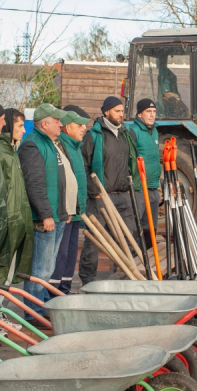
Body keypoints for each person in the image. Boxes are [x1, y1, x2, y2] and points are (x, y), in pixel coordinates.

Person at [18, 104, 77, 324]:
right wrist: (45, 214)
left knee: (49, 265)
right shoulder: (33, 145)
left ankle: (40, 304)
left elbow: (60, 181)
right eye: (57, 121)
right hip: (44, 218)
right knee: (41, 266)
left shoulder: (52, 144)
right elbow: (34, 184)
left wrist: (65, 210)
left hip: (57, 214)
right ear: (45, 124)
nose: (61, 124)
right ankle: (33, 311)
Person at [79, 96, 140, 285]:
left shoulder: (127, 134)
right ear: (106, 112)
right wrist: (93, 191)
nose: (121, 115)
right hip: (101, 197)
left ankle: (122, 277)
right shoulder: (93, 135)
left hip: (124, 196)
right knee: (95, 240)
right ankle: (88, 280)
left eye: (122, 111)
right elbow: (84, 166)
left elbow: (132, 162)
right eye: (117, 111)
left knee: (127, 239)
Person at [49, 105, 90, 294]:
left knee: (71, 254)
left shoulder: (75, 146)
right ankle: (54, 293)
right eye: (79, 125)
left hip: (75, 209)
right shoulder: (62, 146)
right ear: (67, 127)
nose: (84, 128)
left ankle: (64, 289)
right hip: (65, 210)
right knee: (61, 254)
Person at [0, 108, 33, 286]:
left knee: (9, 271)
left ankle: (0, 309)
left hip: (16, 220)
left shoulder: (11, 151)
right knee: (0, 270)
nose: (24, 130)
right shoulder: (0, 151)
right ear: (9, 125)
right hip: (6, 220)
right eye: (21, 126)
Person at [128, 98, 161, 250]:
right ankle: (129, 261)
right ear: (140, 114)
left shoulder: (154, 131)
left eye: (154, 112)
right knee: (135, 226)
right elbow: (129, 159)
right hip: (140, 187)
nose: (152, 115)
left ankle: (149, 258)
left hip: (153, 186)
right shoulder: (133, 132)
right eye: (148, 112)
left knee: (151, 227)